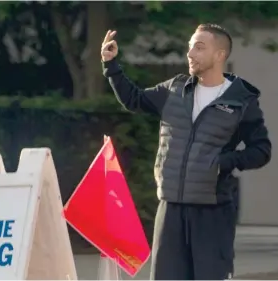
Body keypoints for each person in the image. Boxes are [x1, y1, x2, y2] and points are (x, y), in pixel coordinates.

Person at [101, 24, 271, 280]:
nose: (190, 53)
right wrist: (111, 65)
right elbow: (134, 99)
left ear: (220, 55)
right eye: (190, 46)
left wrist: (224, 162)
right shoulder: (174, 90)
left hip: (212, 213)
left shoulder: (241, 101)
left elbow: (261, 150)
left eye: (199, 47)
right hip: (170, 209)